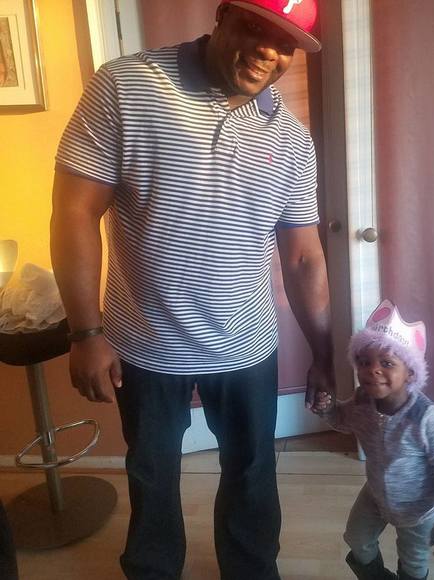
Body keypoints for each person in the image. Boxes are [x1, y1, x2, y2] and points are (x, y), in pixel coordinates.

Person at [50, 1, 333, 579]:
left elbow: (303, 255)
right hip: (145, 342)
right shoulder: (128, 85)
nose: (268, 51)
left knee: (252, 471)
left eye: (286, 44)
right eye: (255, 27)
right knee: (152, 473)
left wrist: (325, 353)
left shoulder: (290, 137)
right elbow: (74, 212)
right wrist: (85, 332)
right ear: (222, 16)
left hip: (247, 342)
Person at [313, 299, 434, 580]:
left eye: (387, 363)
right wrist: (328, 410)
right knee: (357, 539)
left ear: (410, 373)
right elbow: (343, 421)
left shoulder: (428, 418)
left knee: (413, 564)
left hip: (418, 509)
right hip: (375, 494)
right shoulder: (362, 401)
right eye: (364, 362)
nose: (373, 369)